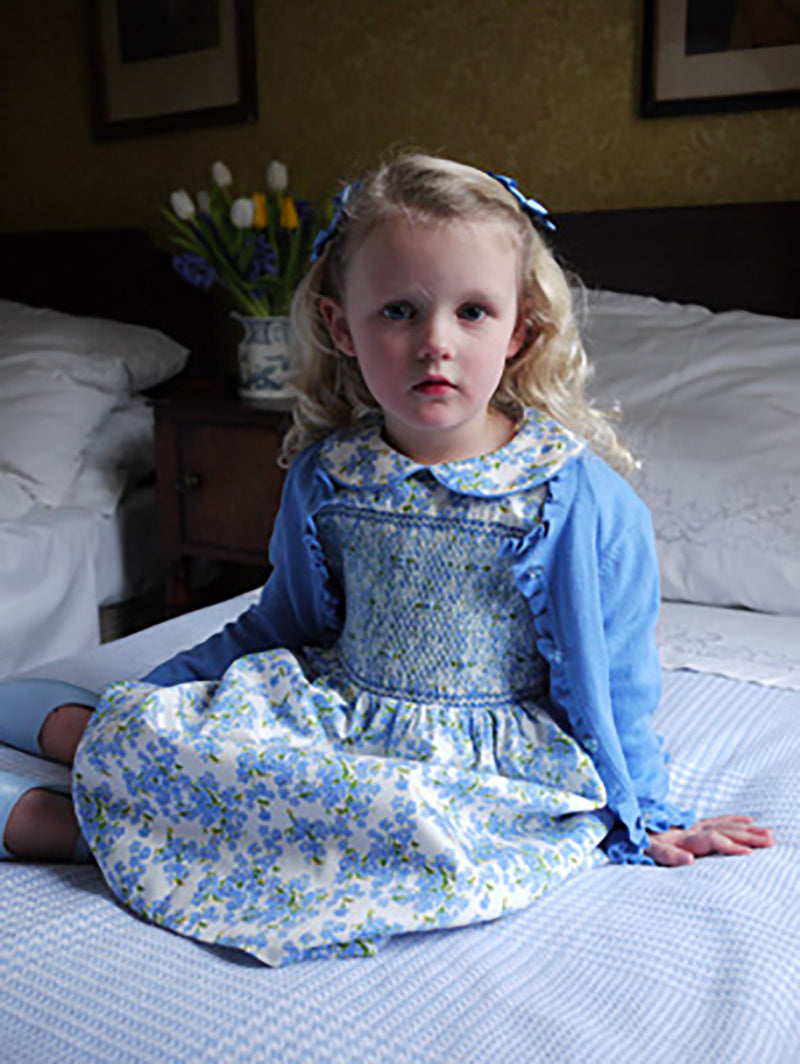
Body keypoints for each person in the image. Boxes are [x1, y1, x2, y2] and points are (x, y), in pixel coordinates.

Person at [0, 153, 774, 965]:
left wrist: (647, 813)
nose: (435, 343)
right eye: (399, 310)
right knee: (185, 736)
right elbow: (284, 622)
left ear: (520, 331)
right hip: (342, 712)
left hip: (480, 758)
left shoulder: (571, 497)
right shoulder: (331, 476)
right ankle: (79, 730)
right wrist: (152, 694)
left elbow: (617, 681)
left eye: (472, 312)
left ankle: (67, 824)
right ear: (341, 326)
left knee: (407, 819)